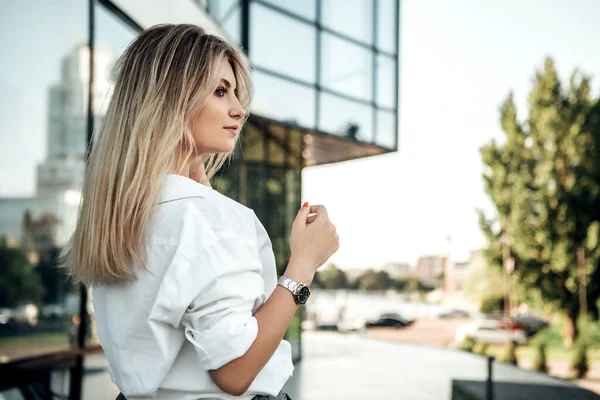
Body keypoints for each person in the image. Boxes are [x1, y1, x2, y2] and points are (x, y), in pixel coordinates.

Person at [60, 24, 339, 400]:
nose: (239, 109)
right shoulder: (212, 219)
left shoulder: (117, 217)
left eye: (236, 93)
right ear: (171, 99)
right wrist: (303, 265)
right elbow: (235, 371)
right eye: (220, 91)